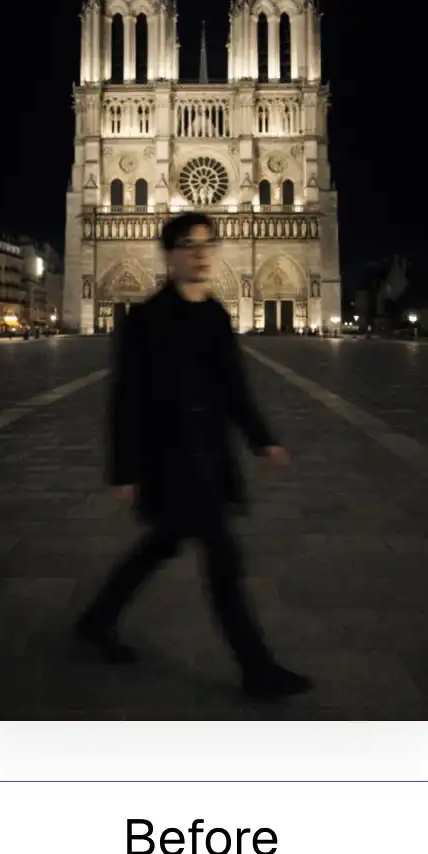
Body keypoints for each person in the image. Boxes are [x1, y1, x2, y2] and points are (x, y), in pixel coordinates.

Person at [73, 212, 312, 702]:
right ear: (169, 255)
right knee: (222, 562)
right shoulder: (144, 320)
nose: (202, 253)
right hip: (170, 462)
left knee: (160, 546)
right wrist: (124, 469)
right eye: (189, 245)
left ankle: (97, 619)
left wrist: (261, 438)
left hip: (207, 459)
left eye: (207, 244)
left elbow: (233, 387)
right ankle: (256, 669)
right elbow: (126, 399)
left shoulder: (217, 315)